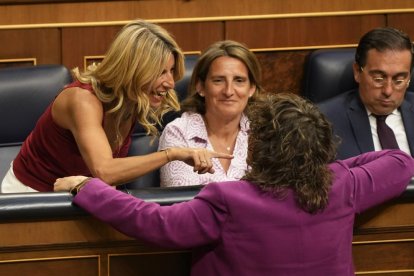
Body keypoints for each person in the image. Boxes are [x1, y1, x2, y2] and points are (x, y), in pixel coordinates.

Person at [55, 93, 414, 275]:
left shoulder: (231, 199)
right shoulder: (343, 185)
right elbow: (399, 161)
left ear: (259, 145)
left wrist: (88, 187)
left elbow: (154, 222)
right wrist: (319, 167)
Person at [0, 19, 232, 193]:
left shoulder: (131, 97)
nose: (171, 82)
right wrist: (171, 154)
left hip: (78, 192)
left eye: (171, 71)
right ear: (133, 68)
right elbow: (105, 171)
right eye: (161, 72)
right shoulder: (82, 100)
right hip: (30, 197)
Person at [158, 40, 263, 187]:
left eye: (239, 81)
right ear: (201, 86)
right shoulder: (178, 132)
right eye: (218, 80)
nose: (229, 91)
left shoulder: (264, 134)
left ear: (251, 88)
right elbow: (183, 203)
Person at [318, 27, 414, 160]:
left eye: (399, 80)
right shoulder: (323, 121)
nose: (388, 91)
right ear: (357, 71)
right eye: (378, 79)